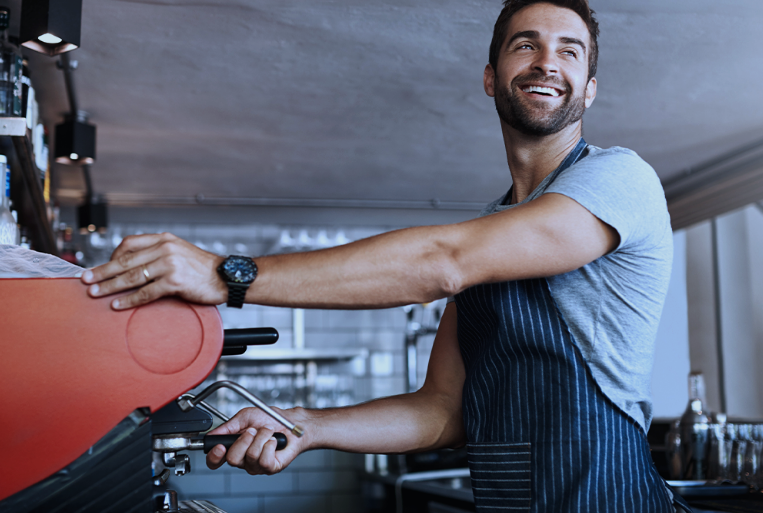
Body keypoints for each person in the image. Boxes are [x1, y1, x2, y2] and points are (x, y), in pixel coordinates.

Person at [83, 1, 686, 511]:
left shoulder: (619, 180)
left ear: (590, 87)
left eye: (569, 51)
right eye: (525, 45)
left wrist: (227, 275)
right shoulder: (493, 235)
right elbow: (441, 410)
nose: (547, 62)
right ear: (490, 75)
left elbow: (442, 262)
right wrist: (305, 426)